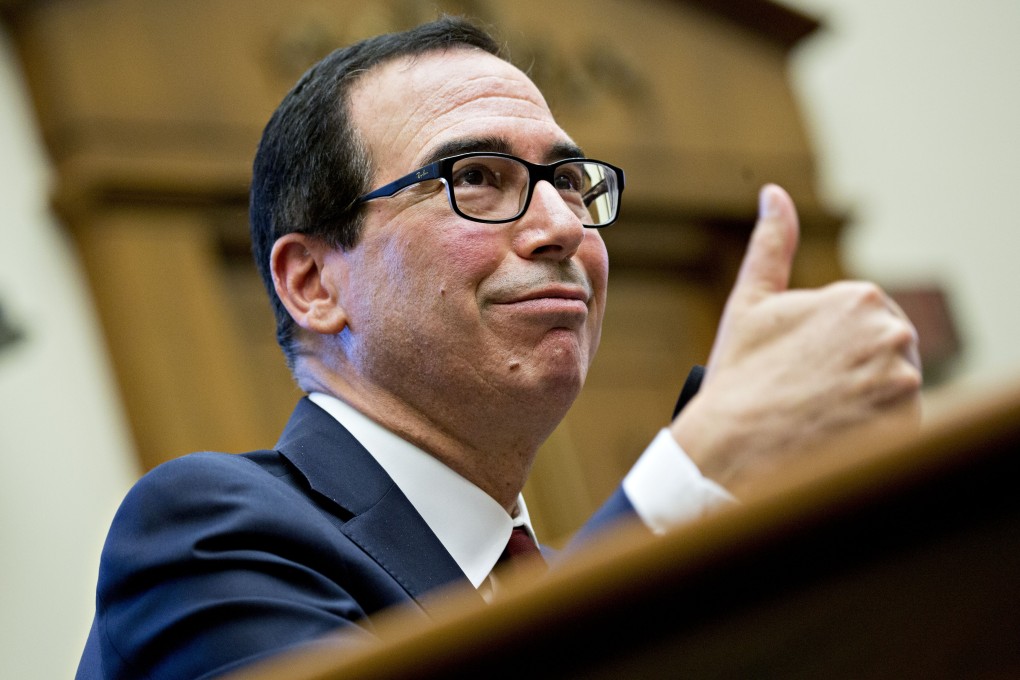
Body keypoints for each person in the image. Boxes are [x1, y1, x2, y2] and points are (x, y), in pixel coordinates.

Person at [75, 15, 921, 680]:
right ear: (313, 284)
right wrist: (697, 473)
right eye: (475, 177)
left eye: (569, 182)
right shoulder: (207, 534)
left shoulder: (562, 580)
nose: (562, 227)